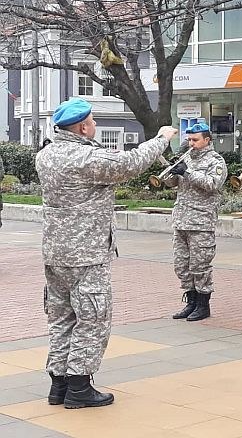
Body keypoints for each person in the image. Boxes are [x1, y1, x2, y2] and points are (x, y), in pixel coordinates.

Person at [36, 97, 176, 408]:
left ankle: (58, 385)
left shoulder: (45, 155)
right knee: (92, 318)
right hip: (86, 254)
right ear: (83, 128)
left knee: (61, 319)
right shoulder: (86, 158)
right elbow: (130, 164)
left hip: (55, 253)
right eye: (93, 122)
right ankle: (79, 388)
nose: (95, 126)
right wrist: (162, 139)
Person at [164, 122, 227, 322]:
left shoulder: (215, 161)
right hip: (182, 219)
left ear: (207, 140)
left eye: (195, 140)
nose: (191, 143)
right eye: (189, 139)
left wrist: (187, 172)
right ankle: (190, 301)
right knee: (182, 265)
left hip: (201, 220)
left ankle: (203, 304)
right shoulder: (186, 158)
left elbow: (212, 184)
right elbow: (172, 183)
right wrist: (171, 172)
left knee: (200, 265)